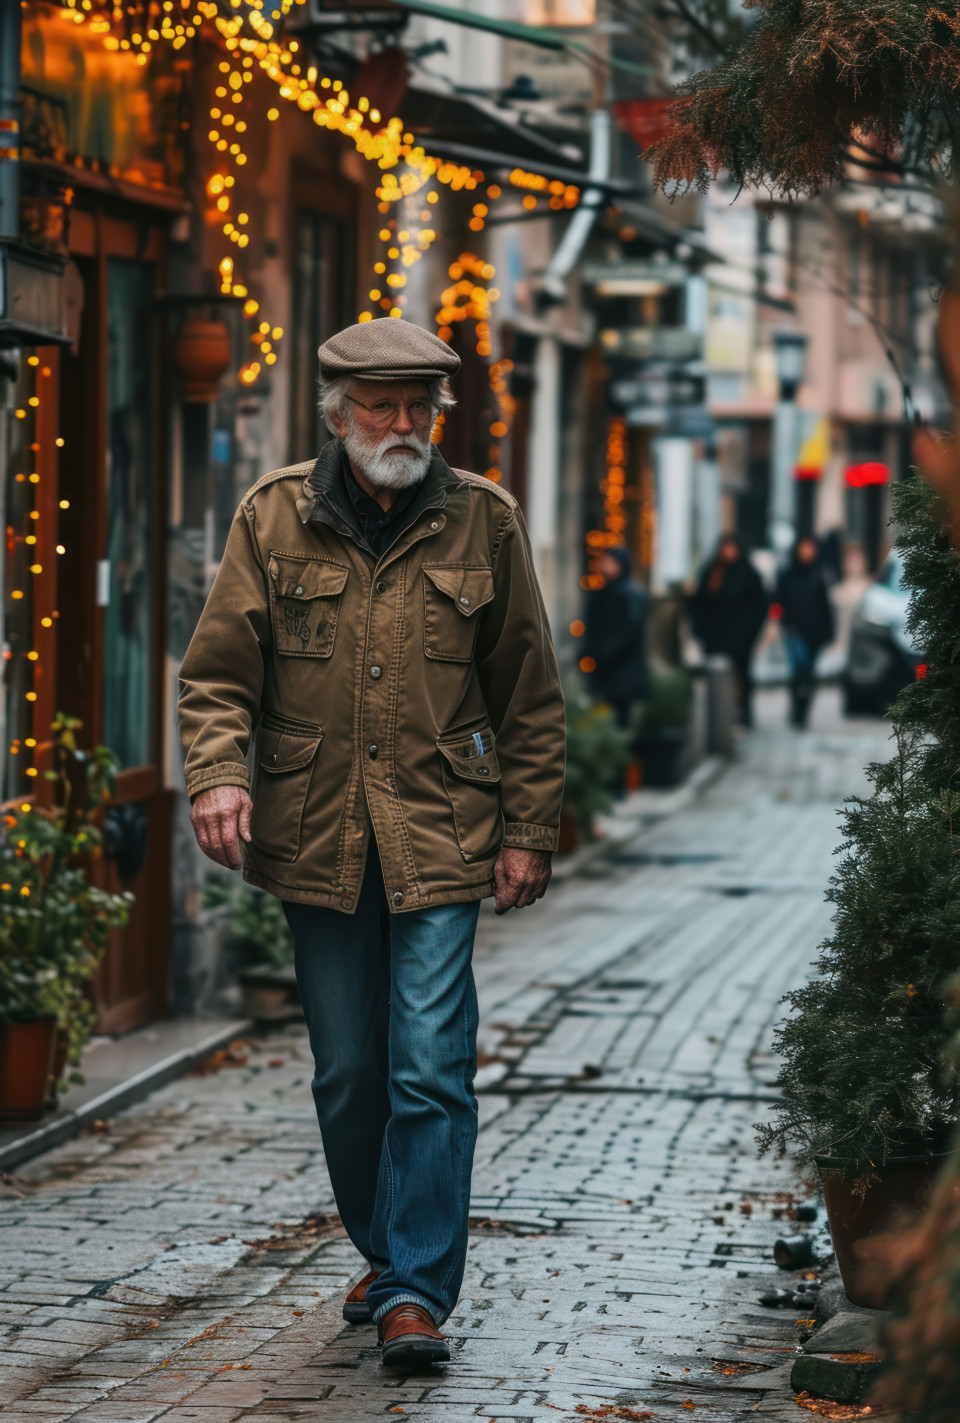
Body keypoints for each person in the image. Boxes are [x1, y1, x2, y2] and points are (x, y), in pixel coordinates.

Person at [178, 319, 566, 1371]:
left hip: (444, 830)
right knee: (350, 1071)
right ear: (338, 413)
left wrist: (529, 827)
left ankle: (413, 1292)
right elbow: (218, 675)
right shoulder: (274, 519)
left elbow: (528, 688)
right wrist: (217, 773)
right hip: (317, 834)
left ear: (438, 413)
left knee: (430, 1068)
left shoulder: (483, 521)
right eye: (381, 407)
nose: (402, 426)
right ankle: (385, 1246)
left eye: (418, 408)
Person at [690, 534, 767, 727]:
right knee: (718, 675)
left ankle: (743, 711)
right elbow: (700, 603)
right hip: (715, 635)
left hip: (741, 637)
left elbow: (759, 605)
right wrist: (700, 629)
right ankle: (721, 713)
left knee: (742, 675)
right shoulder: (711, 572)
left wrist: (749, 628)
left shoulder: (748, 573)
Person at [774, 536, 836, 729]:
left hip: (815, 632)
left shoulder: (819, 575)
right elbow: (777, 602)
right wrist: (781, 620)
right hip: (793, 631)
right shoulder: (787, 575)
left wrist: (828, 632)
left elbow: (826, 607)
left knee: (809, 673)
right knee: (798, 671)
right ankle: (797, 710)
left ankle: (803, 710)